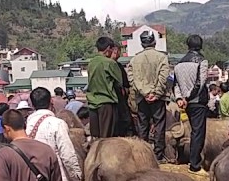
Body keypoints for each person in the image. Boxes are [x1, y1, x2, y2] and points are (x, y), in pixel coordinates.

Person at [25, 87, 82, 181]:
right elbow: (67, 156)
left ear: (32, 104)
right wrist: (76, 180)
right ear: (51, 102)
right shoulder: (57, 124)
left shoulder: (26, 125)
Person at [127, 30, 171, 162]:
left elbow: (132, 79)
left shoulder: (134, 59)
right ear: (154, 42)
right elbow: (164, 78)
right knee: (159, 125)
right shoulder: (162, 57)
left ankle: (142, 153)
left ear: (141, 43)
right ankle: (158, 154)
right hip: (158, 98)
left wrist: (143, 93)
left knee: (142, 125)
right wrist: (156, 94)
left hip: (141, 98)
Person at [173, 34, 212, 172]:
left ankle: (193, 161)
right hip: (197, 101)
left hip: (185, 103)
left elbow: (176, 84)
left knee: (193, 132)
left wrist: (179, 99)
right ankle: (195, 164)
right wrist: (188, 98)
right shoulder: (202, 61)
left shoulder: (179, 64)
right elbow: (199, 84)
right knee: (198, 133)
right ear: (200, 45)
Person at [86, 36, 126, 139]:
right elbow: (120, 82)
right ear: (108, 48)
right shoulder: (110, 63)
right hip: (106, 103)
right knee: (107, 139)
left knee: (95, 138)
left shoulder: (91, 63)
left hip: (92, 104)